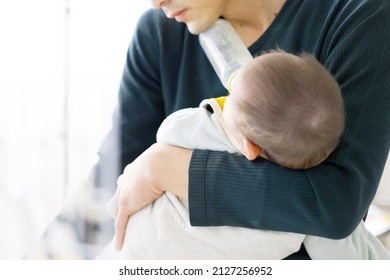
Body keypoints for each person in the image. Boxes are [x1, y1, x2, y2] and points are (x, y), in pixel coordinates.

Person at [97, 0, 390, 259]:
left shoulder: (359, 16)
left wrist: (165, 167)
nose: (156, 2)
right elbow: (117, 179)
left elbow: (336, 202)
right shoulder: (160, 34)